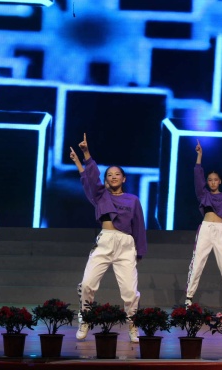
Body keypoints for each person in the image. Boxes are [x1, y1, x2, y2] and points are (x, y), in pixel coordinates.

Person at [70, 133, 147, 343]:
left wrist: (139, 251)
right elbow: (90, 179)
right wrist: (86, 154)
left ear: (124, 178)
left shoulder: (133, 200)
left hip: (126, 245)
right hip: (104, 242)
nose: (113, 177)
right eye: (109, 175)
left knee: (130, 291)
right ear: (106, 180)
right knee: (87, 285)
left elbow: (139, 226)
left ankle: (133, 325)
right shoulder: (101, 196)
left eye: (117, 174)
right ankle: (85, 319)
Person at [184, 140, 222, 311]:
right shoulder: (204, 195)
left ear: (220, 182)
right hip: (206, 229)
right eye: (210, 180)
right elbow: (197, 176)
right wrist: (199, 156)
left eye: (215, 180)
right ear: (207, 182)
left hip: (221, 232)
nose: (213, 182)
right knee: (197, 263)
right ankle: (188, 298)